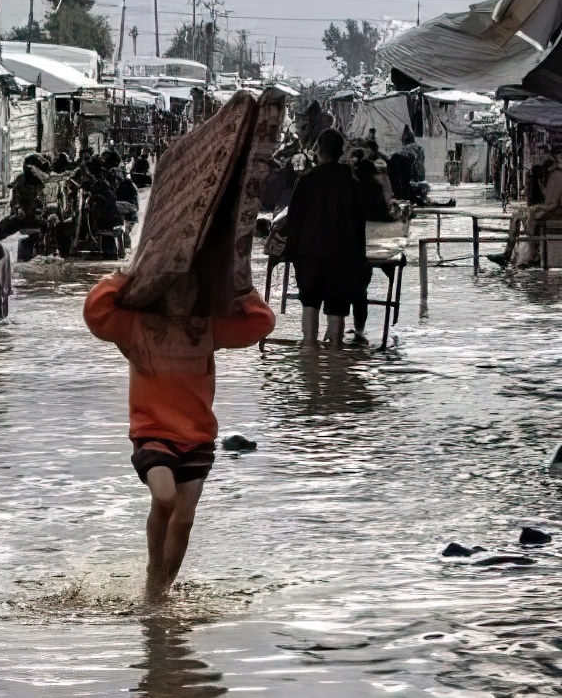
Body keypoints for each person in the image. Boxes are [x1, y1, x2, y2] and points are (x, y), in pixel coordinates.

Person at [83, 271, 275, 600]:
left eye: (189, 289)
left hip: (198, 438)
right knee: (164, 497)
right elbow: (95, 311)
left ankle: (159, 593)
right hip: (152, 432)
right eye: (173, 289)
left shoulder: (206, 328)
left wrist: (239, 284)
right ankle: (153, 571)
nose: (181, 297)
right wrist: (129, 274)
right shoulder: (137, 326)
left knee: (184, 519)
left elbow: (262, 323)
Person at [284, 128, 367, 348]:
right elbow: (359, 223)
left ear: (318, 151)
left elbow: (294, 221)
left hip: (310, 253)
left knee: (310, 303)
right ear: (340, 152)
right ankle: (335, 358)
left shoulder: (306, 181)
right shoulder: (351, 182)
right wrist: (359, 258)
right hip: (342, 254)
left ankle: (309, 352)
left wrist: (291, 252)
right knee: (337, 306)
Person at [350, 159, 396, 346]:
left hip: (352, 249)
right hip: (371, 249)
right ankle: (359, 331)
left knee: (350, 289)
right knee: (361, 290)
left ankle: (338, 331)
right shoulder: (376, 191)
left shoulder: (352, 191)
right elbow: (385, 220)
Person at [489, 156, 562, 268]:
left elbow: (553, 205)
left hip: (555, 213)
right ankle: (511, 253)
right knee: (518, 215)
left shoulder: (557, 176)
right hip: (551, 211)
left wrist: (537, 207)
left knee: (526, 217)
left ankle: (520, 254)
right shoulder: (553, 176)